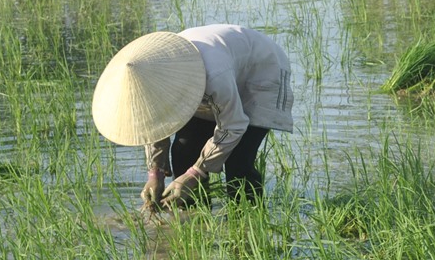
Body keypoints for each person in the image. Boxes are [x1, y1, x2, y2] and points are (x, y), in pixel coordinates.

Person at [91, 24, 294, 211]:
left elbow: (234, 125)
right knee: (183, 150)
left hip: (261, 70)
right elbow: (154, 120)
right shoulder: (152, 77)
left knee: (238, 162)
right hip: (218, 69)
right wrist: (156, 172)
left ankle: (247, 224)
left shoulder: (214, 76)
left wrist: (195, 173)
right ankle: (194, 217)